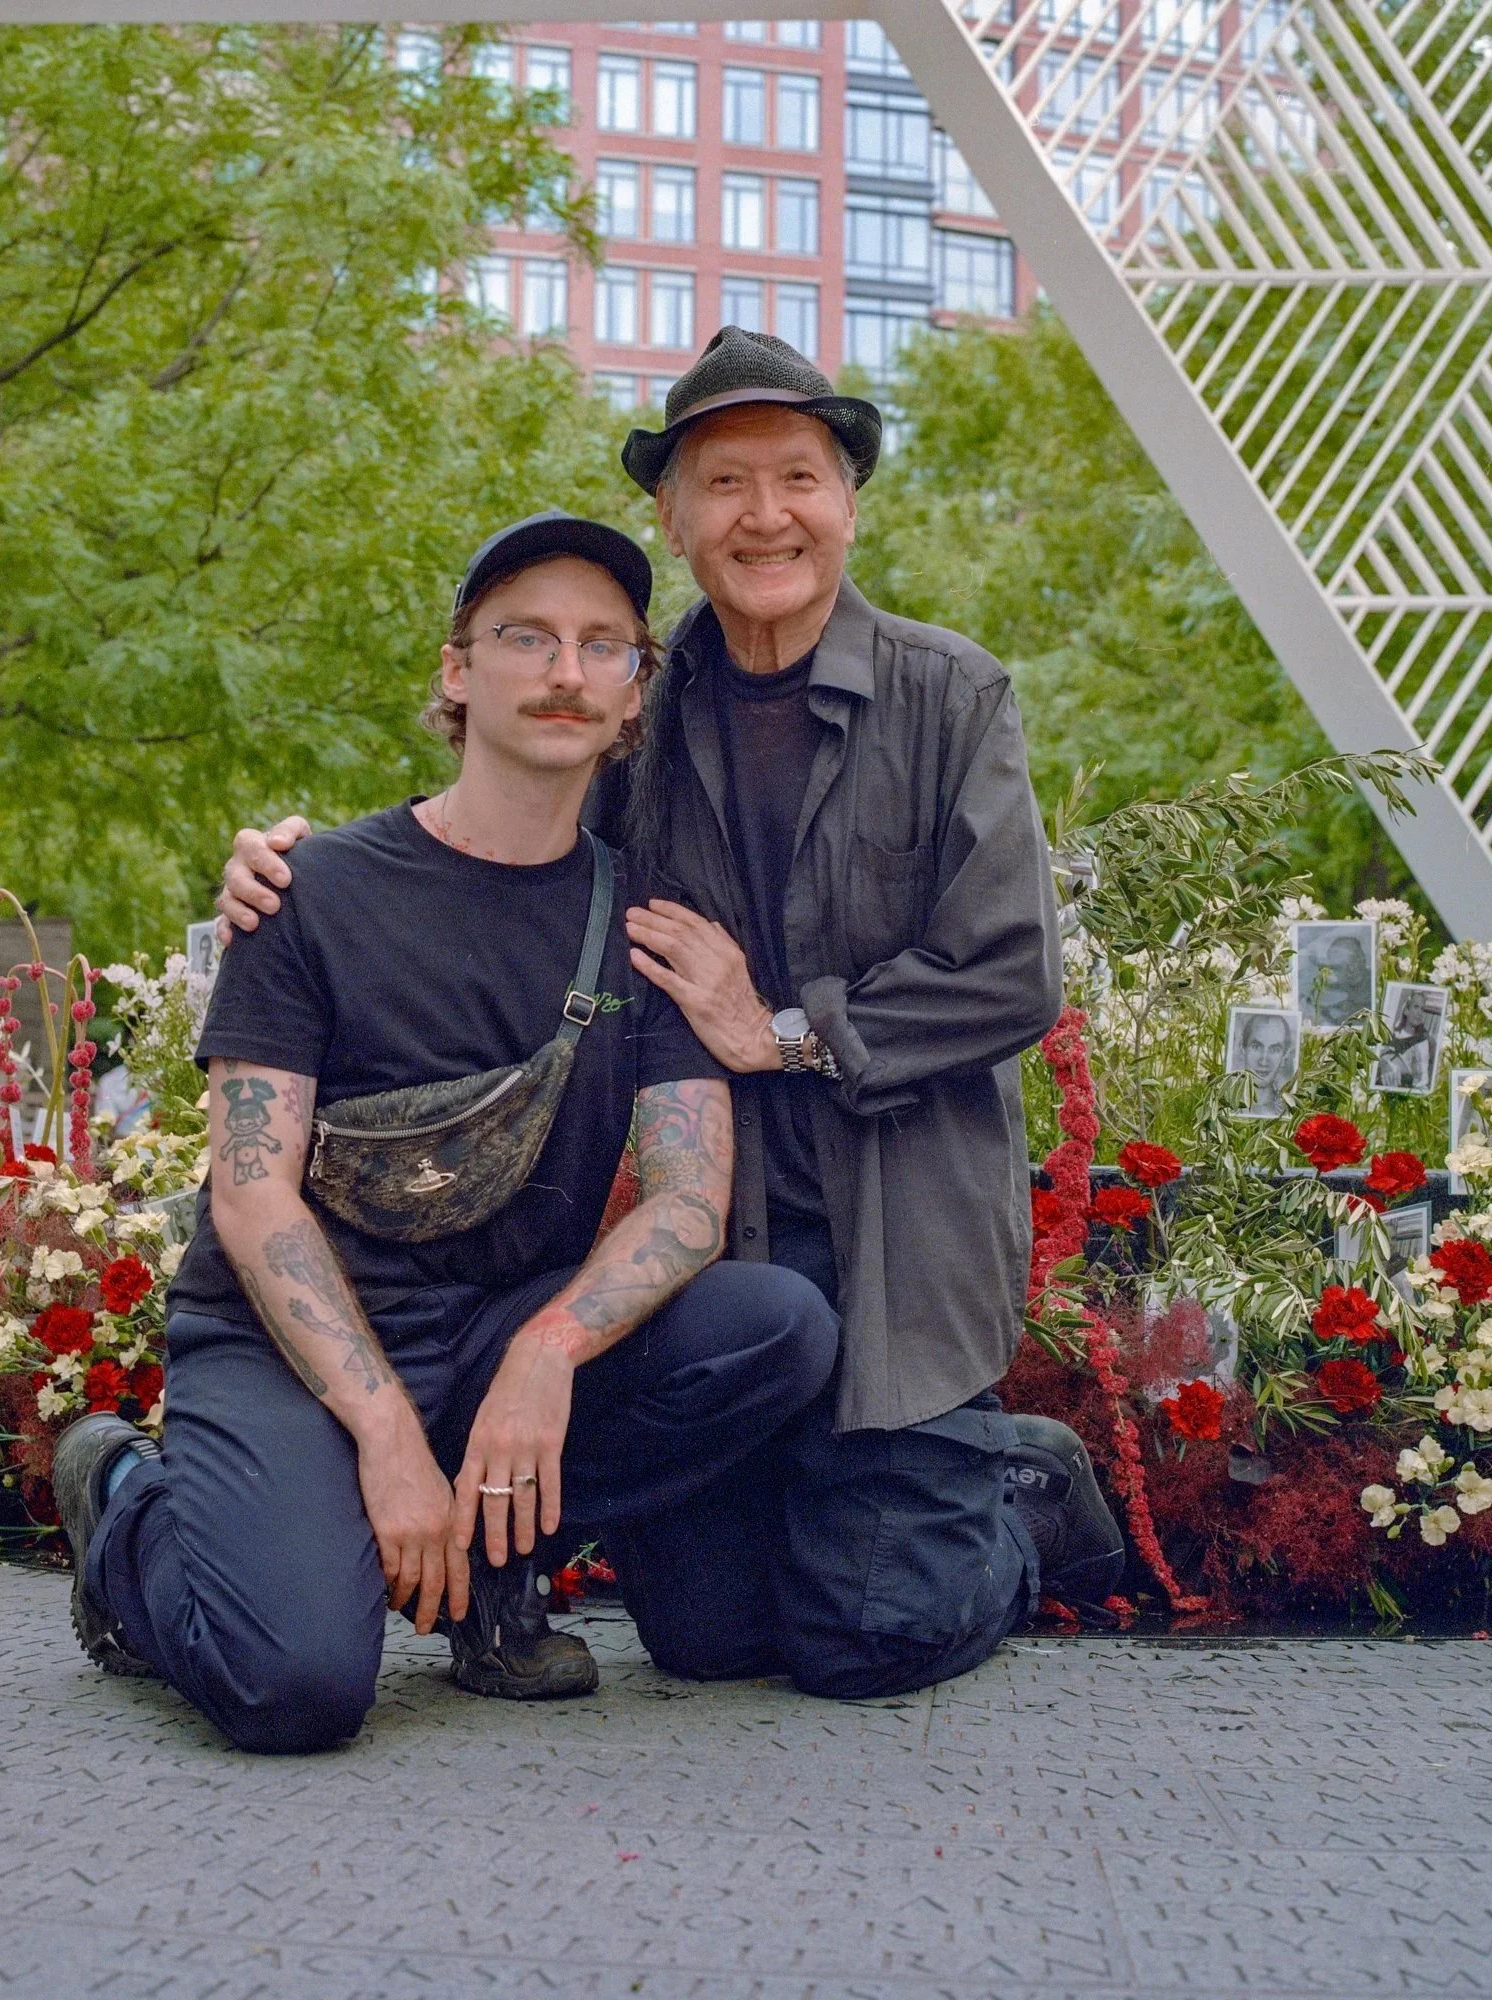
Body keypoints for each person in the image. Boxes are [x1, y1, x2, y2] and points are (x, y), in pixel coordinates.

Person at [221, 329, 1123, 1702]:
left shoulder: (950, 694)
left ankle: (1014, 1501)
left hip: (899, 1232)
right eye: (724, 483)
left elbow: (1009, 972)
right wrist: (284, 871)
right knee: (705, 1639)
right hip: (723, 1239)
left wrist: (784, 1032)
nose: (765, 515)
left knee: (869, 1640)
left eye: (798, 477)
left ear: (849, 500)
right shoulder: (637, 701)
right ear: (674, 515)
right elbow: (503, 837)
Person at [56, 512, 839, 1753]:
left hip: (492, 1328)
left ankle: (490, 1564)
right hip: (290, 1346)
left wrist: (545, 1351)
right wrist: (379, 1429)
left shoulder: (647, 925)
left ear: (633, 694)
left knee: (774, 1325)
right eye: (525, 636)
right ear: (457, 670)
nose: (565, 670)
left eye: (602, 645)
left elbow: (689, 1201)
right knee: (295, 1688)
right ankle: (126, 1506)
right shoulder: (309, 892)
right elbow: (252, 1197)